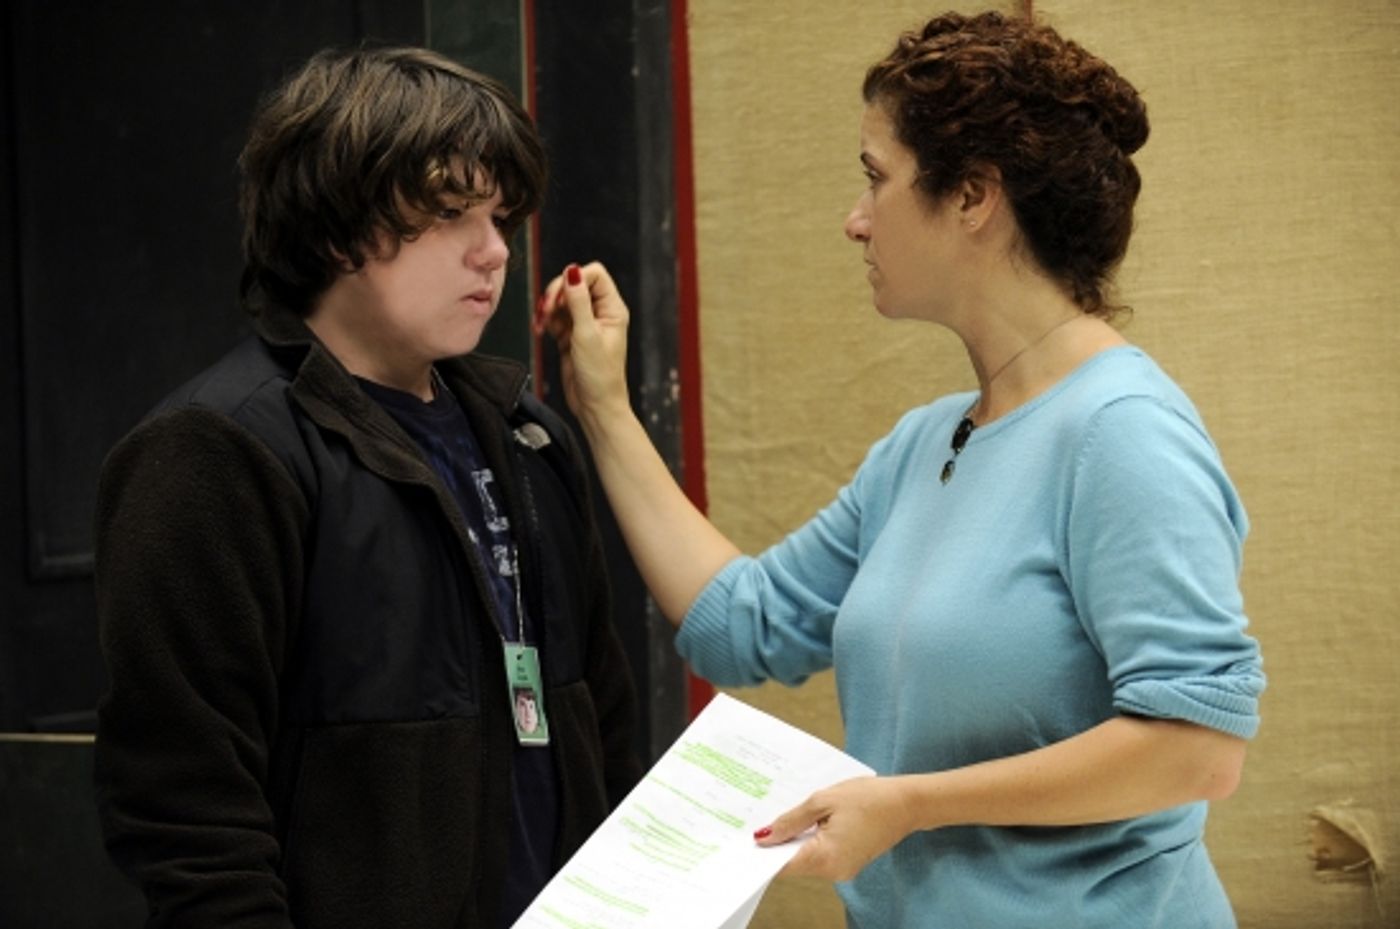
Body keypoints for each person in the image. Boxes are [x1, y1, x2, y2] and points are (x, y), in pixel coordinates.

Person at [536, 10, 1265, 929]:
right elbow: (739, 625)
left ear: (972, 196)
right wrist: (602, 407)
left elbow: (1197, 750)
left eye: (877, 180)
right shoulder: (926, 444)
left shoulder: (1123, 433)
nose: (855, 220)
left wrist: (911, 802)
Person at [93, 46, 641, 929]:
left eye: (500, 216)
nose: (494, 250)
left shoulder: (529, 434)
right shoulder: (213, 452)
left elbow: (604, 723)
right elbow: (185, 813)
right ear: (340, 228)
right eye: (452, 213)